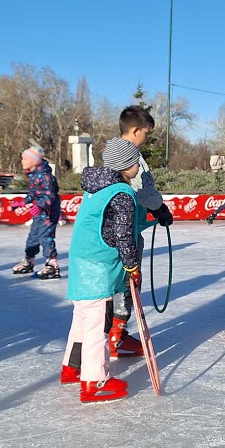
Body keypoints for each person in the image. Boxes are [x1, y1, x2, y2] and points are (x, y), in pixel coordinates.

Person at [60, 138, 143, 403]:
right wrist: (131, 264)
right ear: (126, 164)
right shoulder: (121, 192)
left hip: (82, 261)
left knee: (83, 319)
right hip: (99, 266)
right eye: (135, 161)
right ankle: (95, 380)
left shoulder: (94, 188)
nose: (138, 166)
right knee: (98, 323)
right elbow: (122, 233)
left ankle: (72, 367)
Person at [108, 106, 173, 359]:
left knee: (115, 283)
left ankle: (112, 333)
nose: (146, 138)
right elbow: (144, 190)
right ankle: (117, 336)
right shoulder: (132, 159)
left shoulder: (110, 154)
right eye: (145, 133)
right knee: (128, 282)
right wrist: (160, 209)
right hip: (127, 231)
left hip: (110, 234)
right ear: (135, 131)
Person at [10, 145, 62, 279]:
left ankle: (52, 264)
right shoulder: (33, 175)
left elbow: (50, 196)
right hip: (40, 211)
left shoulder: (45, 176)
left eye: (24, 159)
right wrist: (23, 202)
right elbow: (33, 193)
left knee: (45, 236)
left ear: (34, 160)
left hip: (49, 211)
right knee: (33, 236)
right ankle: (29, 260)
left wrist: (40, 206)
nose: (22, 161)